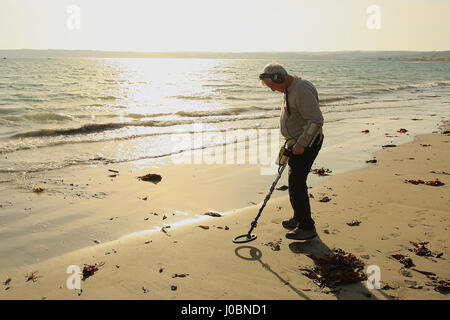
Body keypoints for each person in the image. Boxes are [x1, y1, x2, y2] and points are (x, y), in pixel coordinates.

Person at [259, 63, 324, 240]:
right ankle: (298, 217)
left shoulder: (301, 89)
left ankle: (306, 227)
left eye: (272, 86)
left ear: (279, 78)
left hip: (306, 144)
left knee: (296, 184)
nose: (272, 90)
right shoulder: (289, 89)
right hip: (295, 144)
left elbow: (316, 120)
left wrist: (301, 143)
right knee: (294, 182)